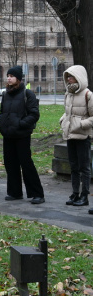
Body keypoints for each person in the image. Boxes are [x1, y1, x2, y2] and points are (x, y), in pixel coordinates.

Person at [0, 66, 45, 204]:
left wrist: (20, 124)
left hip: (22, 135)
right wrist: (1, 123)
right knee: (10, 164)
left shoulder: (27, 94)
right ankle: (14, 192)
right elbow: (2, 113)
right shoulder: (6, 94)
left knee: (26, 163)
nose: (9, 78)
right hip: (8, 134)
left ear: (18, 78)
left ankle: (37, 193)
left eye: (11, 76)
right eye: (8, 75)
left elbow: (34, 114)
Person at [60, 65, 93, 208]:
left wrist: (81, 124)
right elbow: (66, 112)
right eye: (67, 76)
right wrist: (63, 121)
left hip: (83, 136)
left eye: (71, 76)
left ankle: (84, 196)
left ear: (79, 77)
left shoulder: (88, 95)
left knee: (84, 167)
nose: (69, 79)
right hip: (70, 135)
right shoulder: (68, 94)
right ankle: (75, 193)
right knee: (73, 166)